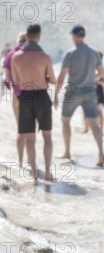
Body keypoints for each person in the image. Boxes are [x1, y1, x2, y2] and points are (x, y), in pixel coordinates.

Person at [11, 23, 56, 182]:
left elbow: (16, 81)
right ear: (39, 36)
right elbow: (53, 79)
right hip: (42, 96)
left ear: (27, 36)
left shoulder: (16, 57)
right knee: (47, 136)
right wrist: (43, 77)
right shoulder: (45, 57)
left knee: (29, 139)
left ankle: (34, 172)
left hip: (25, 97)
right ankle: (49, 173)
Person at [55, 25, 104, 166]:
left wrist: (56, 95)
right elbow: (102, 74)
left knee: (65, 121)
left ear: (75, 36)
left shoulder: (70, 53)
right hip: (90, 91)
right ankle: (101, 154)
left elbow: (61, 77)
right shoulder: (94, 52)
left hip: (73, 92)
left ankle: (67, 152)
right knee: (94, 124)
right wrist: (93, 79)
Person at [3, 32, 27, 166]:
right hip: (31, 95)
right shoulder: (31, 54)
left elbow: (6, 79)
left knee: (20, 129)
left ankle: (20, 161)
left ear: (17, 40)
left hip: (16, 95)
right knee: (30, 130)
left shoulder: (10, 55)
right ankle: (31, 160)